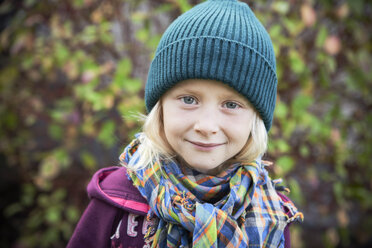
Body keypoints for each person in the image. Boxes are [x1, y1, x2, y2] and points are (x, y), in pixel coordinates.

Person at [68, 0, 303, 247]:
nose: (207, 125)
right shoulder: (116, 200)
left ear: (255, 119)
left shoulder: (272, 216)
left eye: (231, 105)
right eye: (189, 99)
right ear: (161, 108)